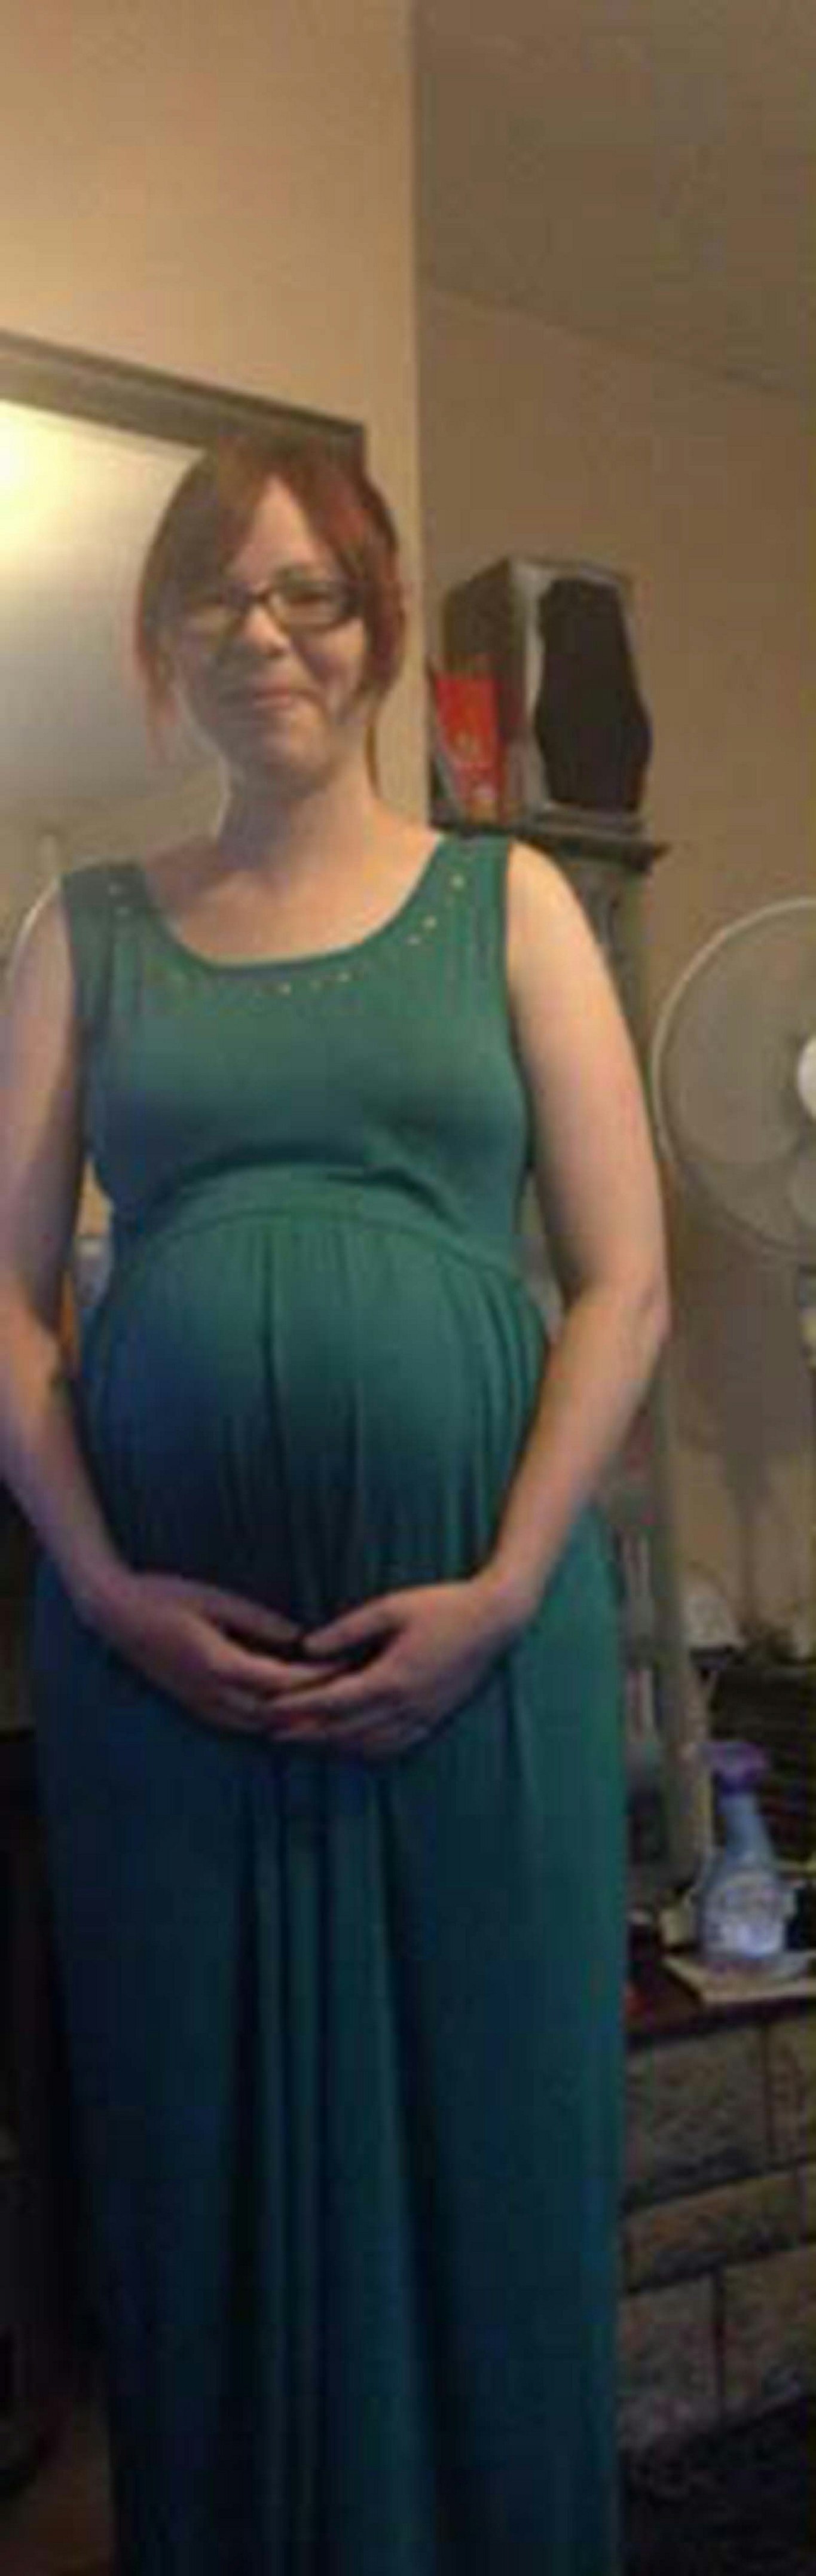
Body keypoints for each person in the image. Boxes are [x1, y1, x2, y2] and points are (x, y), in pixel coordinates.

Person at [0, 432, 670, 2575]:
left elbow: (627, 1278)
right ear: (162, 640)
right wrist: (105, 1587)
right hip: (163, 1689)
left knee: (491, 2146)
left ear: (377, 631)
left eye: (310, 593)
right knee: (202, 2168)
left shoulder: (512, 900)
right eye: (220, 593)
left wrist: (506, 1586)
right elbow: (5, 1302)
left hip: (481, 1665)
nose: (265, 633)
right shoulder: (89, 928)